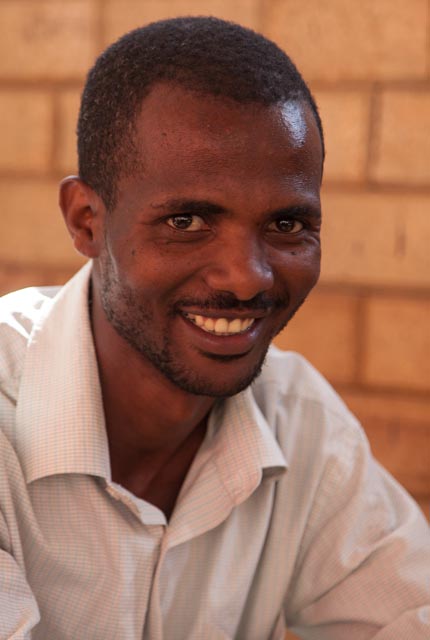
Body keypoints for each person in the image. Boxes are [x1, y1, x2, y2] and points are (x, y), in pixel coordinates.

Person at [0, 16, 428, 640]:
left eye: (286, 225)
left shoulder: (300, 424)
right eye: (187, 222)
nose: (247, 278)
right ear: (87, 221)